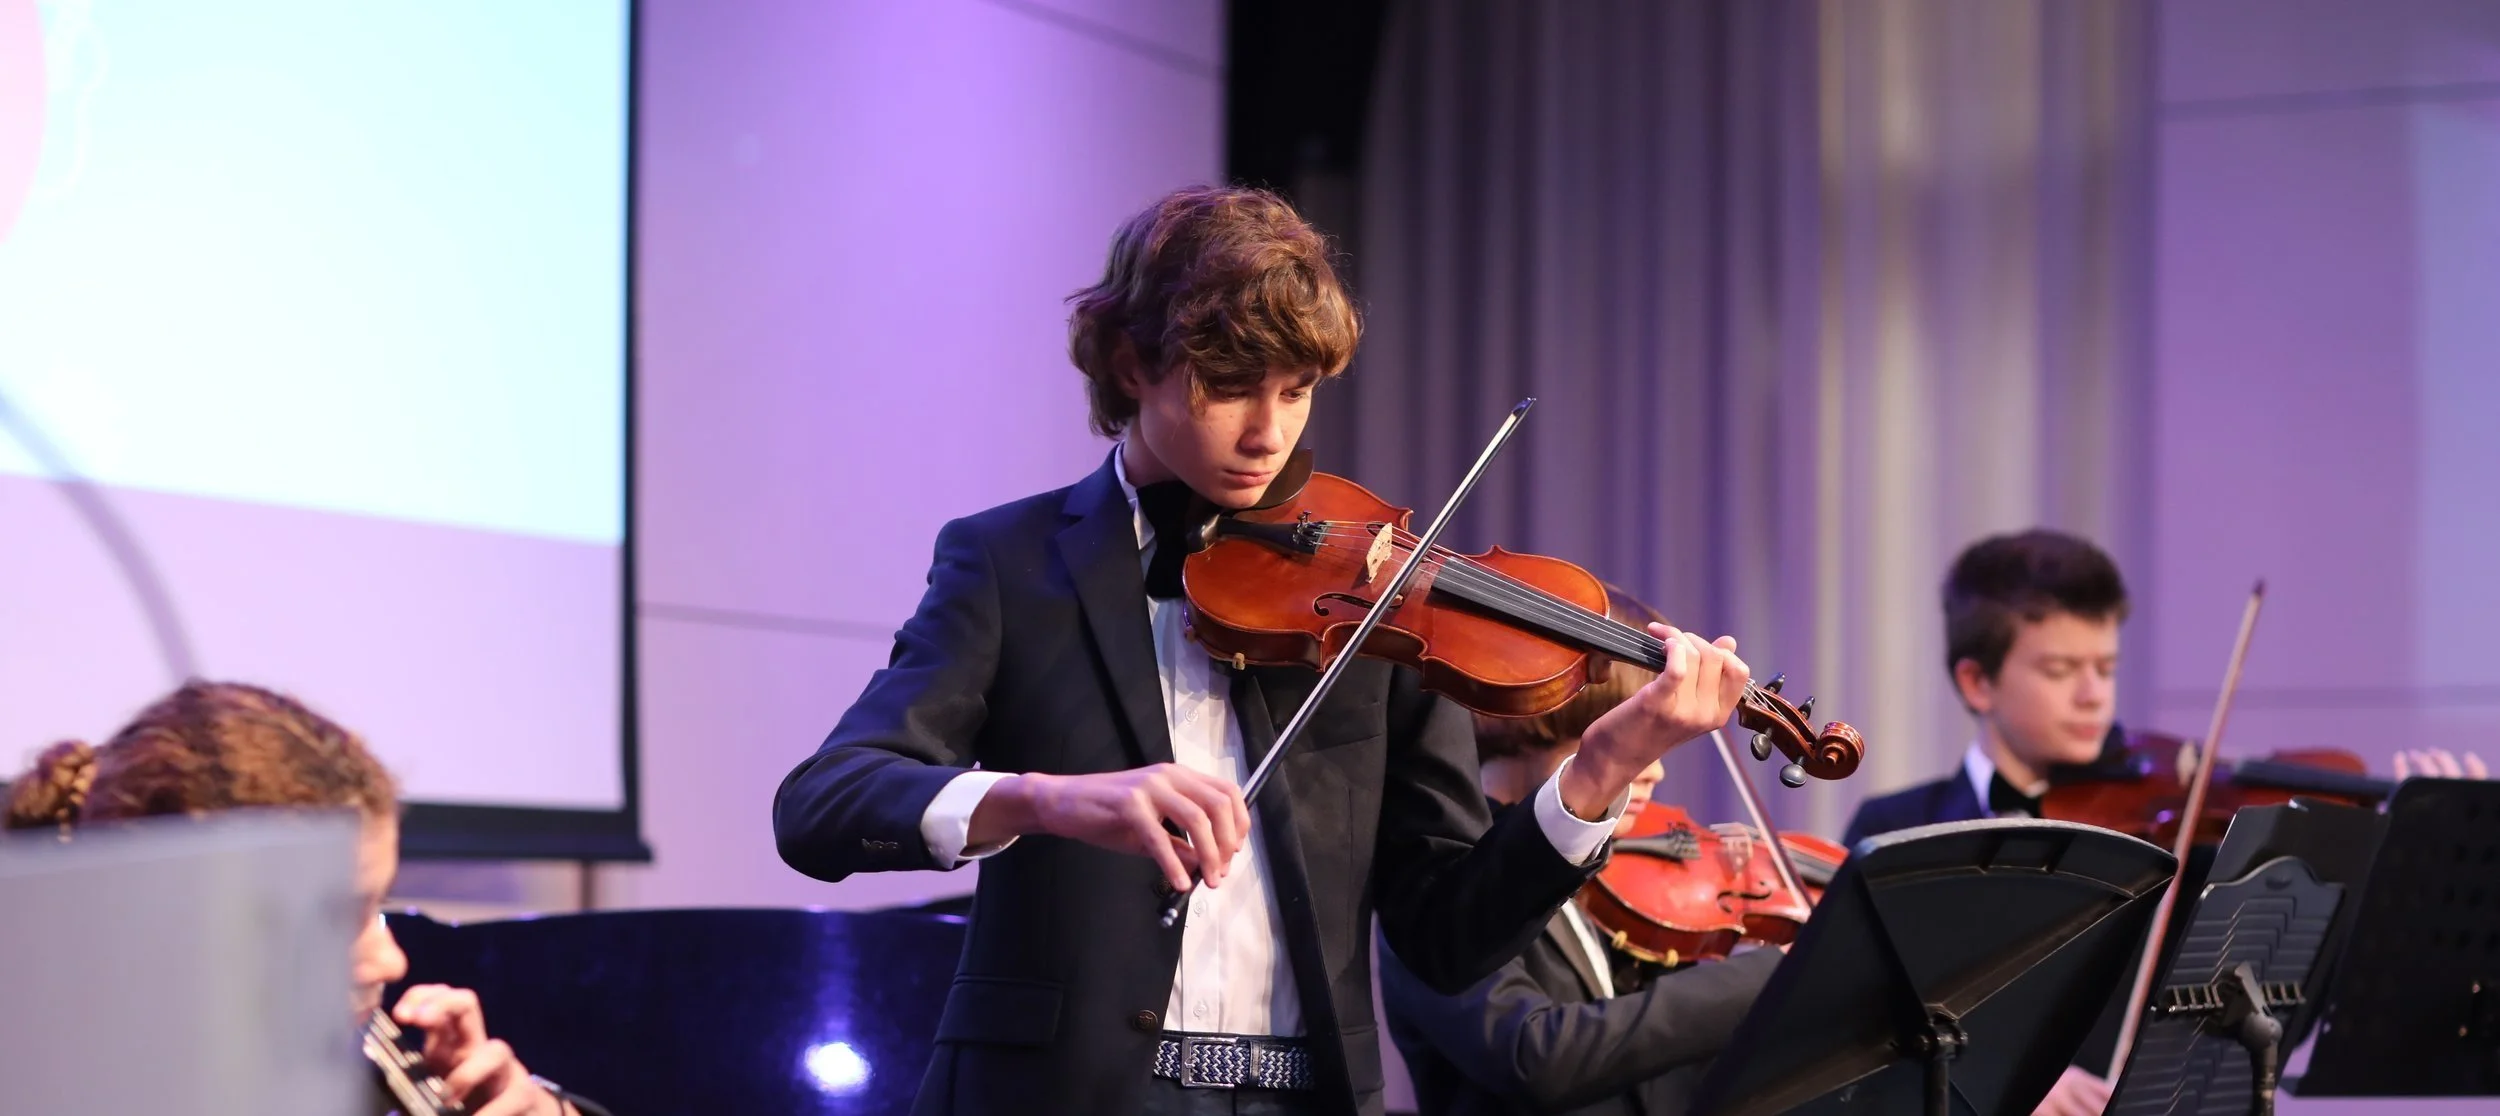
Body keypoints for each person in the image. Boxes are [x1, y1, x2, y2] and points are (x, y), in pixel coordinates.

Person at [771, 185, 1754, 1116]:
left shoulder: (1376, 595)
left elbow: (1446, 939)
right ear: (1129, 363)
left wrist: (1600, 767)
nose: (1269, 434)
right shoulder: (1008, 564)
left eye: (1297, 392)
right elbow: (822, 805)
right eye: (1231, 387)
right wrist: (1045, 798)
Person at [1840, 528, 2485, 1116]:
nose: (2094, 695)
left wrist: (2426, 849)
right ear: (1978, 683)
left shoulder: (2182, 838)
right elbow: (1856, 1030)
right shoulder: (1898, 828)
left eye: (2106, 668)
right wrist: (1986, 1075)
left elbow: (2314, 975)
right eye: (2061, 671)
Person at [3, 680, 593, 1116]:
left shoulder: (341, 1066)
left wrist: (543, 1111)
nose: (393, 961)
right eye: (340, 918)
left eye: (377, 907)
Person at [1378, 588, 1782, 1116]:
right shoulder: (1439, 884)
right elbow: (1537, 1056)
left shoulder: (1609, 870)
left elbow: (1645, 1053)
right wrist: (1763, 976)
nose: (1654, 769)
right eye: (1630, 728)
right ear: (1537, 708)